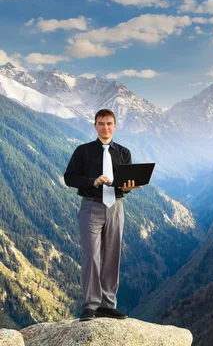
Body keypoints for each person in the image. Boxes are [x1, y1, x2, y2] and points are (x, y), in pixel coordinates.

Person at [64, 109, 142, 321]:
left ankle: (107, 305)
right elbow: (69, 178)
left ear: (115, 126)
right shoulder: (83, 151)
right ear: (95, 126)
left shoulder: (124, 153)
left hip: (116, 207)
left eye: (109, 123)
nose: (105, 127)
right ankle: (90, 305)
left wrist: (128, 188)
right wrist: (93, 181)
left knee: (112, 256)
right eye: (101, 123)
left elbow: (124, 183)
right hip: (91, 206)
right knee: (91, 256)